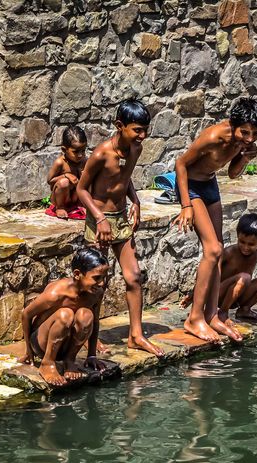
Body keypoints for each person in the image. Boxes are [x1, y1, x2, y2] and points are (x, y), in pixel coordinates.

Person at [174, 97, 257, 343]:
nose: (249, 138)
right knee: (214, 249)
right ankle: (194, 319)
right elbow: (180, 164)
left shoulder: (242, 143)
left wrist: (246, 157)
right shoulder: (214, 136)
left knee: (215, 252)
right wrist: (186, 206)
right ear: (234, 124)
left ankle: (212, 315)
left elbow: (232, 173)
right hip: (191, 187)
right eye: (244, 132)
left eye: (255, 134)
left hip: (210, 186)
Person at [76, 98, 164, 357]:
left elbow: (125, 179)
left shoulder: (136, 149)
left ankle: (136, 335)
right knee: (98, 283)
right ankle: (89, 336)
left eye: (145, 129)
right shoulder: (102, 153)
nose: (143, 135)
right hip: (99, 222)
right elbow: (82, 190)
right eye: (137, 130)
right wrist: (100, 218)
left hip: (122, 217)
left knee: (134, 276)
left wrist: (135, 200)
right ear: (119, 126)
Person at [21, 247, 109, 387]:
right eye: (97, 278)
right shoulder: (55, 294)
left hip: (65, 345)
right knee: (65, 314)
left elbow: (95, 322)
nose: (102, 283)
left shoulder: (96, 293)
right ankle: (47, 362)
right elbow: (26, 315)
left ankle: (69, 360)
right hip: (42, 344)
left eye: (104, 277)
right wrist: (29, 351)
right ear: (77, 274)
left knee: (86, 315)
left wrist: (92, 355)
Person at [184, 213, 257, 322]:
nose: (245, 247)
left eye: (251, 244)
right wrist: (194, 294)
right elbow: (208, 270)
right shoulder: (229, 252)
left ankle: (244, 309)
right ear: (238, 236)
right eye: (242, 242)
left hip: (240, 294)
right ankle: (223, 312)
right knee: (245, 277)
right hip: (220, 295)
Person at [45, 126, 88, 220]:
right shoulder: (60, 163)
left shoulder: (84, 161)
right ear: (64, 150)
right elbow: (50, 181)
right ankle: (60, 208)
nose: (80, 155)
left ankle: (82, 205)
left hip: (76, 198)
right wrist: (66, 175)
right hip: (61, 198)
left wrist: (84, 175)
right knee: (63, 182)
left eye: (83, 150)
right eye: (76, 152)